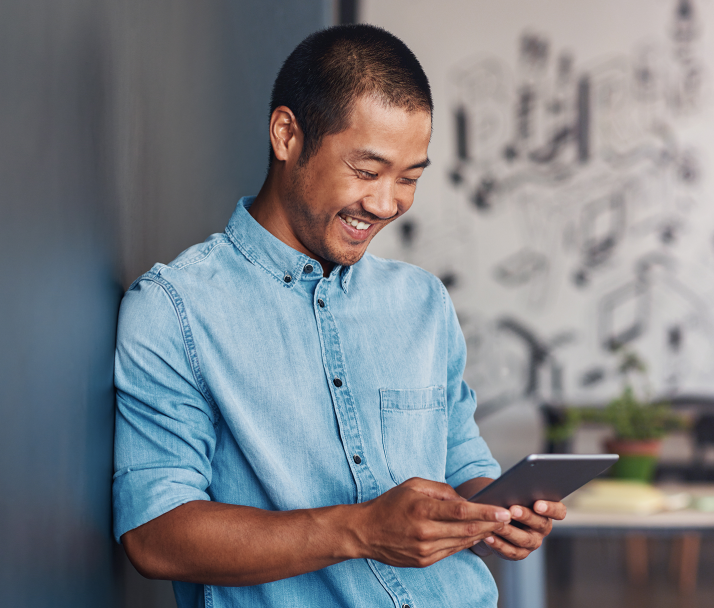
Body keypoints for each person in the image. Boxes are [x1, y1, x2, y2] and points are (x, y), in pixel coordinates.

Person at [112, 24, 566, 608]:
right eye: (367, 171)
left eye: (409, 178)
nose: (386, 204)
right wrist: (361, 530)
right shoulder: (175, 309)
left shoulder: (423, 302)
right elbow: (155, 536)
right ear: (286, 135)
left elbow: (460, 456)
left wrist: (494, 510)